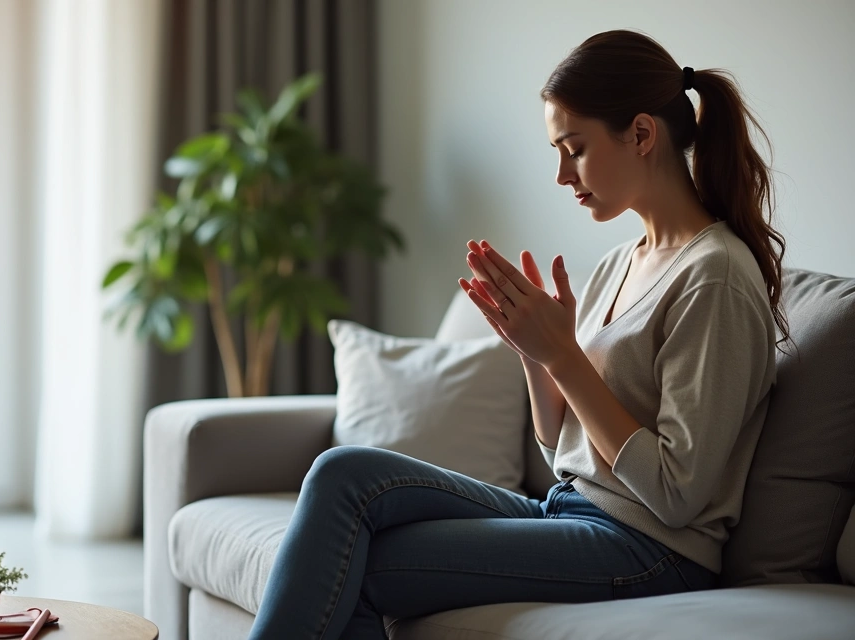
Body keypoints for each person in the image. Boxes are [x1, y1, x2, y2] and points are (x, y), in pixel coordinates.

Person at [247, 30, 786, 639]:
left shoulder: (714, 276)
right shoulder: (621, 263)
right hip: (571, 510)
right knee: (342, 474)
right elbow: (563, 452)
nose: (561, 174)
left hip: (653, 551)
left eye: (574, 148)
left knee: (362, 564)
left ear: (641, 134)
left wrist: (565, 355)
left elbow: (675, 494)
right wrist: (536, 355)